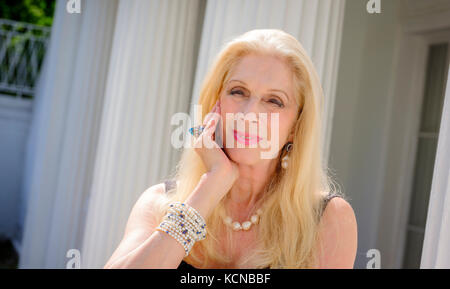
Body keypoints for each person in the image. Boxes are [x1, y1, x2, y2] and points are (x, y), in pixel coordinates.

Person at [104, 29, 357, 269]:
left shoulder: (329, 220)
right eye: (238, 91)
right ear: (215, 104)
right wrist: (213, 183)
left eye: (274, 101)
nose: (248, 114)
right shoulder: (158, 203)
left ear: (295, 127)